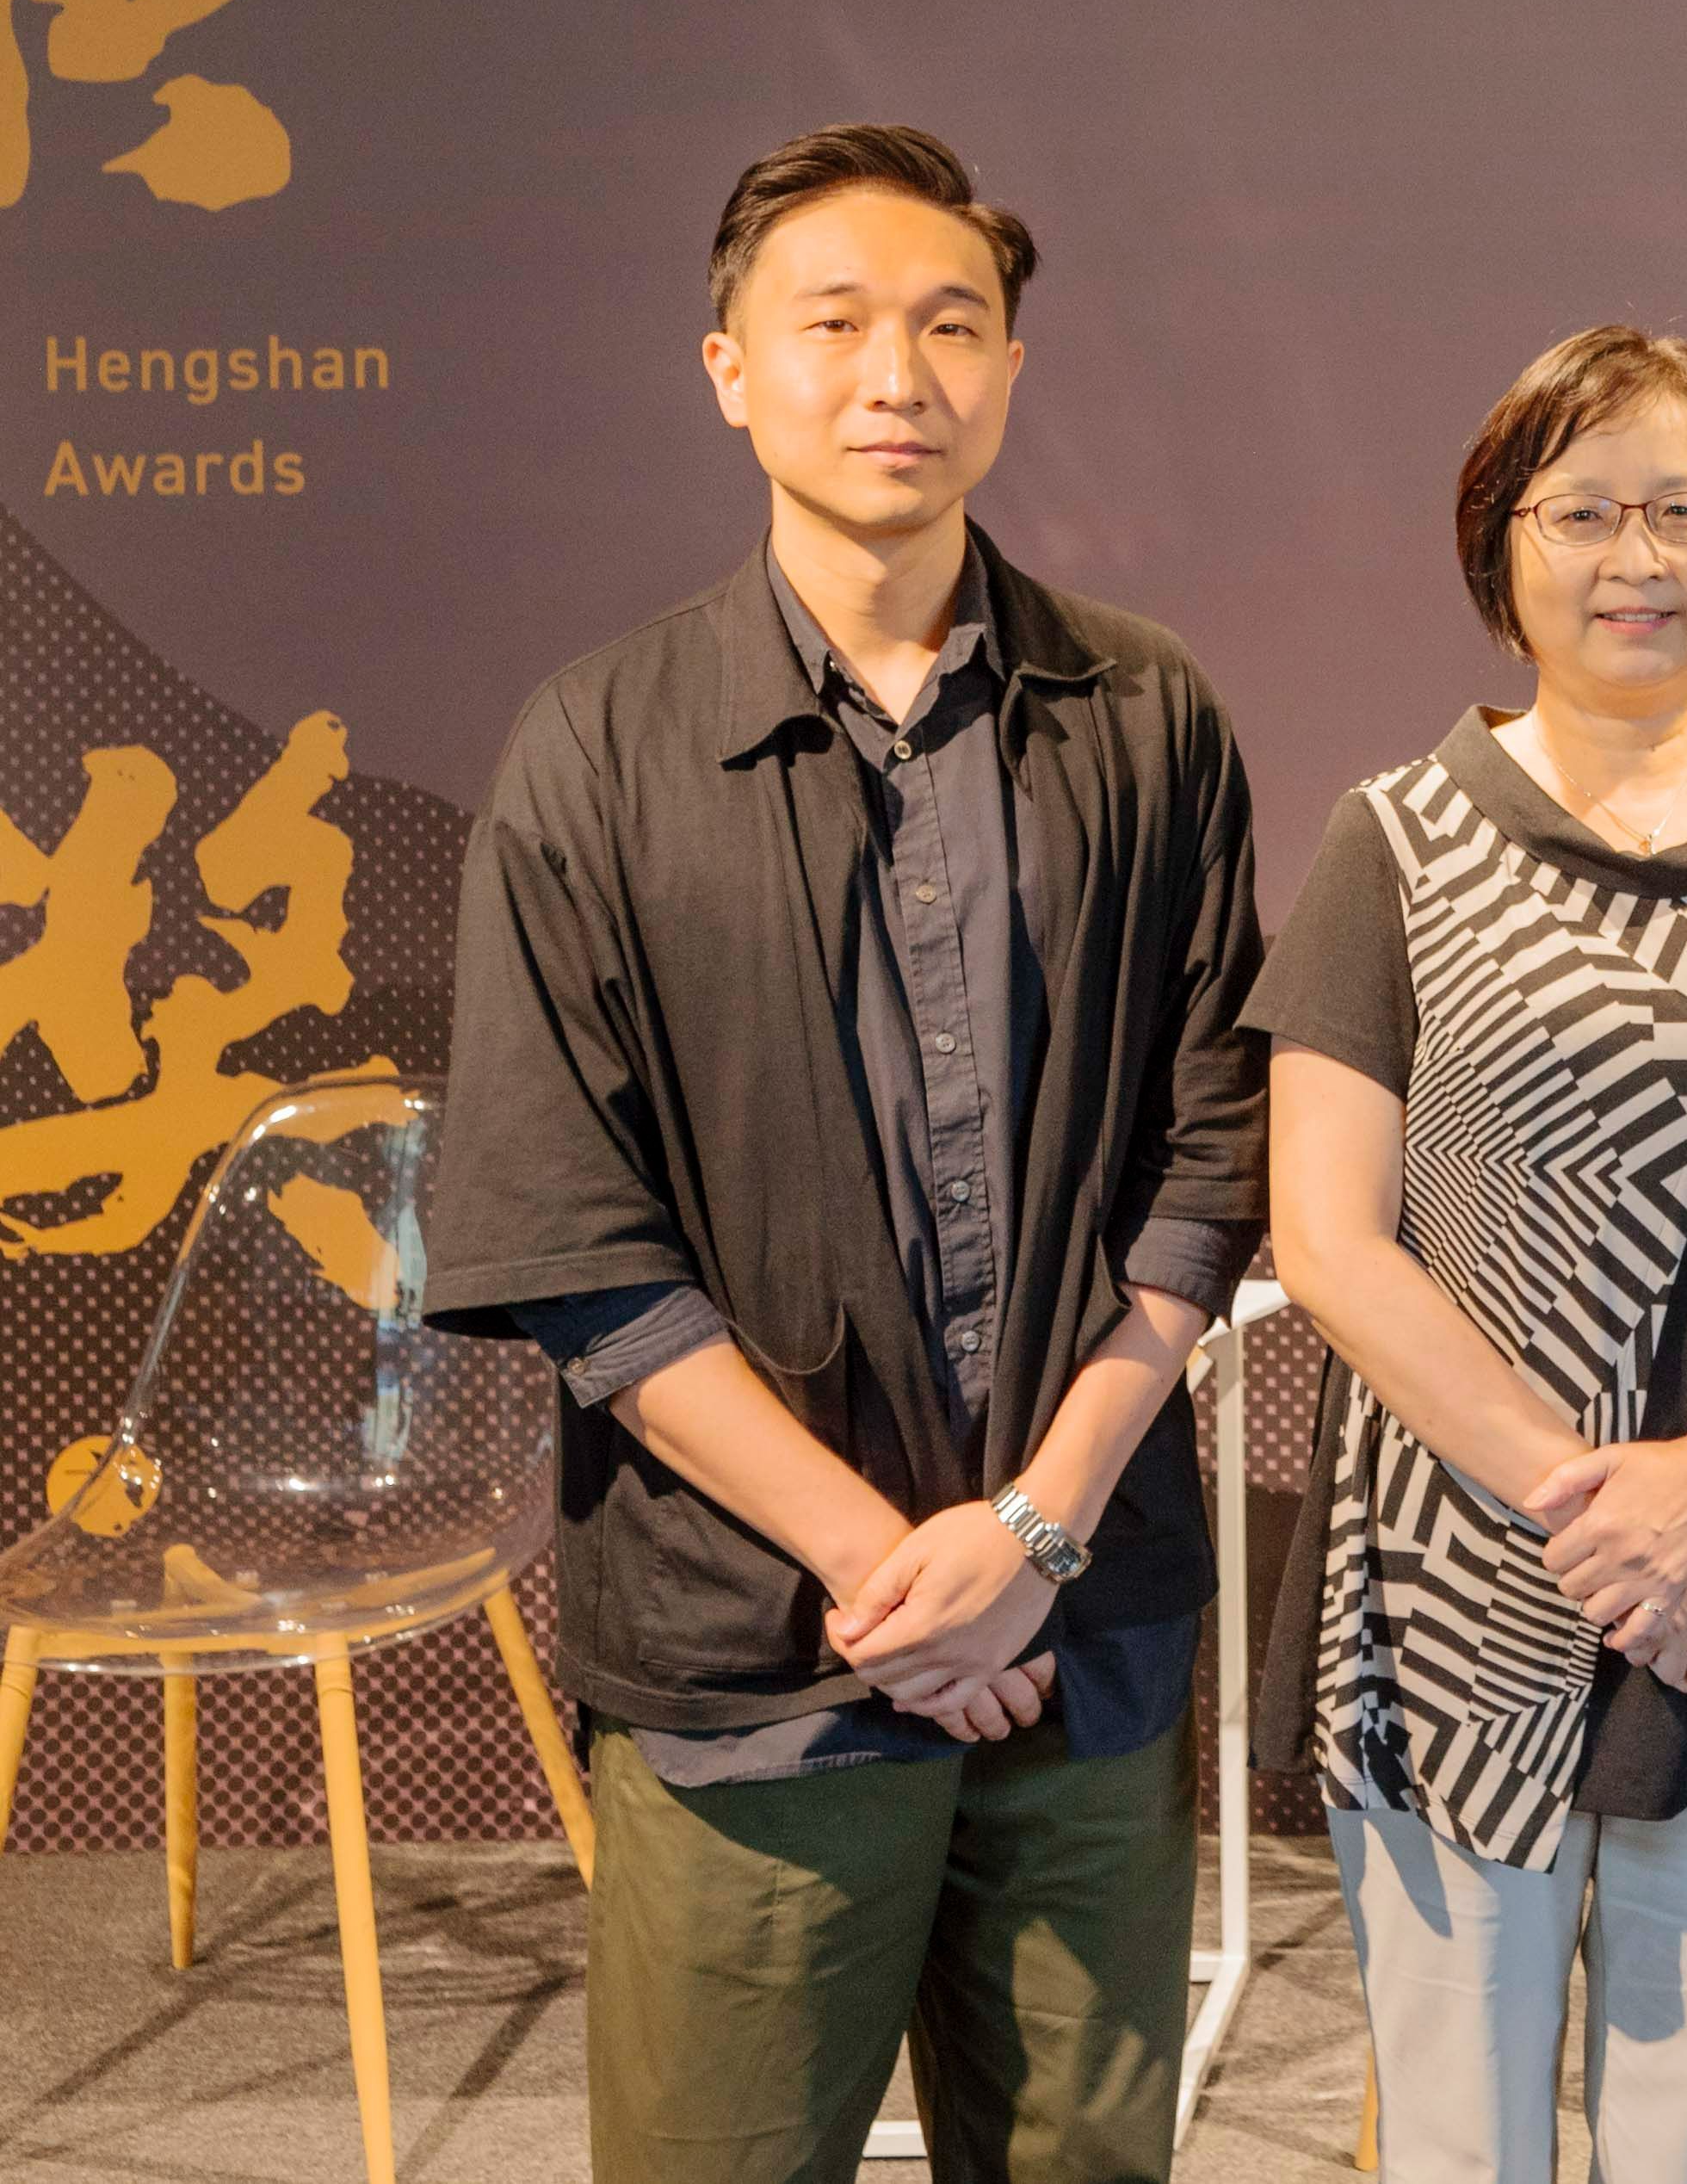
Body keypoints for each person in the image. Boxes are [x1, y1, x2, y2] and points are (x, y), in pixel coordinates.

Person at [424, 124, 1268, 2184]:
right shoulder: (597, 747)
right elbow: (569, 1231)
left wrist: (1032, 1538)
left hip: (1086, 1631)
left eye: (950, 326)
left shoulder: (1145, 714)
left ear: (1010, 370)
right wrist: (891, 1577)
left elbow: (1210, 1156)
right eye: (834, 324)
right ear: (730, 368)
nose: (898, 373)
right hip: (753, 1661)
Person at [1249, 325, 1687, 2182]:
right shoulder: (1392, 841)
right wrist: (1610, 1521)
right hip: (1459, 1575)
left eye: (1681, 511)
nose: (1633, 558)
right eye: (1579, 513)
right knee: (1459, 2142)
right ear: (1498, 548)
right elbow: (1326, 1240)